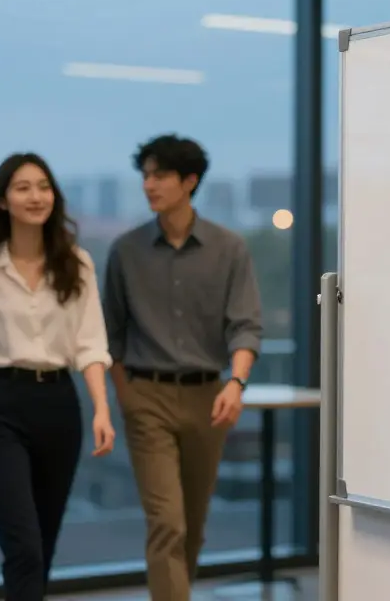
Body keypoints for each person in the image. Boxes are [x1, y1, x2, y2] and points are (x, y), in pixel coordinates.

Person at [0, 152, 116, 601]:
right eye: (23, 187)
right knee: (21, 545)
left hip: (60, 406)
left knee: (43, 544)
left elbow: (91, 344)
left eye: (43, 186)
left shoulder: (76, 263)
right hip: (0, 407)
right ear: (3, 201)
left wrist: (102, 408)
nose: (36, 195)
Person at [103, 134, 263, 601]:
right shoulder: (126, 251)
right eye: (145, 175)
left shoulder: (228, 248)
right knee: (166, 523)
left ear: (189, 181)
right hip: (146, 397)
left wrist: (236, 383)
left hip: (208, 397)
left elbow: (246, 325)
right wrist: (125, 396)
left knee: (191, 525)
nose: (149, 185)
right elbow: (109, 336)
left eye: (160, 175)